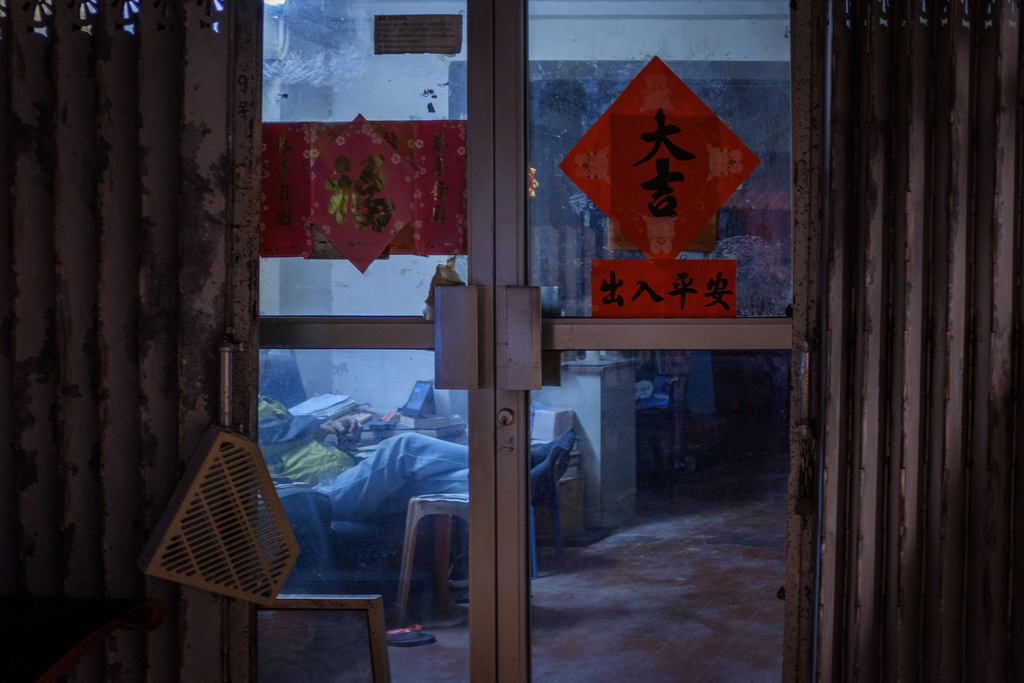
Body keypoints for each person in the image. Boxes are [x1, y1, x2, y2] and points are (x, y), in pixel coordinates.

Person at [258, 395, 576, 524]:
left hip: (341, 480)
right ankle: (518, 458)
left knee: (430, 482)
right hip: (313, 498)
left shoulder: (269, 402)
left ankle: (521, 485)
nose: (266, 366)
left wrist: (340, 441)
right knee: (403, 446)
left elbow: (296, 441)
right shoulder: (244, 415)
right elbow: (271, 433)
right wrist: (319, 425)